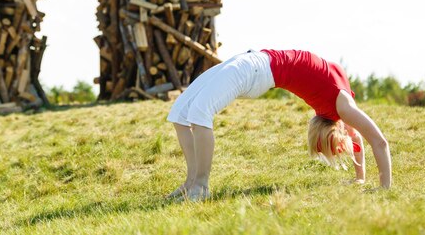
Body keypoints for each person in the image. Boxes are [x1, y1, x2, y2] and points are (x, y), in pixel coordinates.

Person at [166, 49, 392, 201]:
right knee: (180, 113)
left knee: (199, 112)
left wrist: (369, 181)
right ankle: (191, 183)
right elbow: (377, 141)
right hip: (252, 63)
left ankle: (201, 186)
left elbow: (358, 137)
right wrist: (373, 183)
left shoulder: (339, 105)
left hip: (254, 69)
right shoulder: (342, 108)